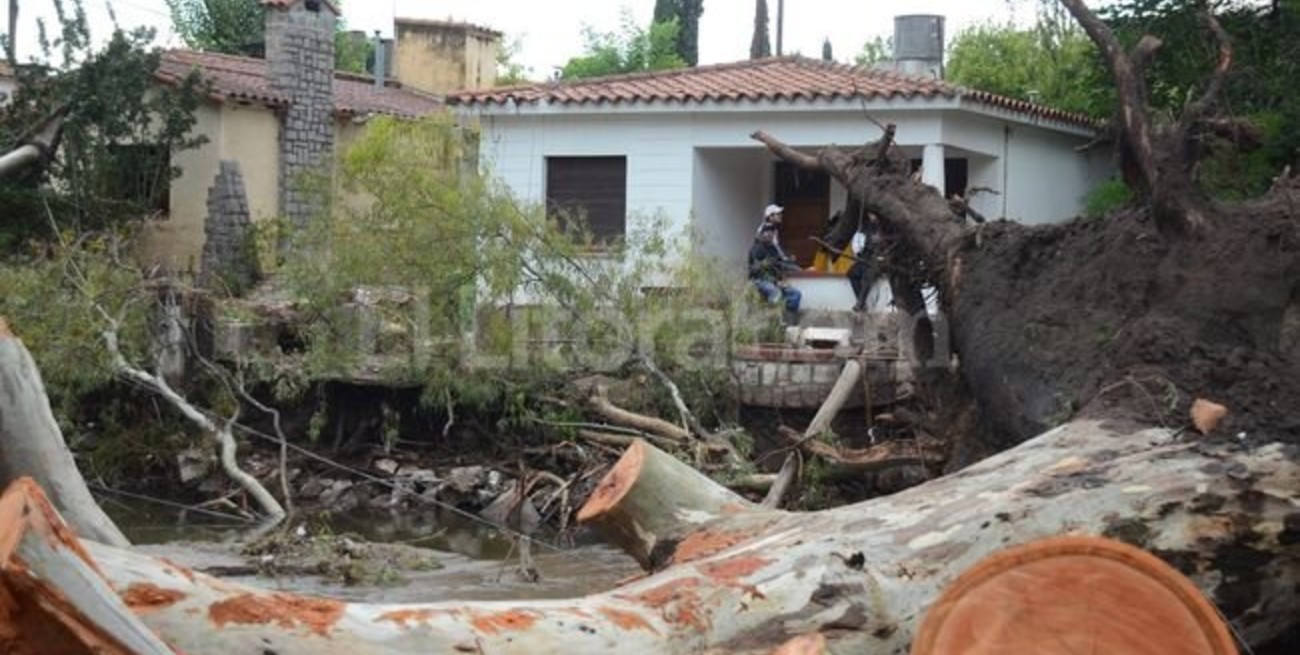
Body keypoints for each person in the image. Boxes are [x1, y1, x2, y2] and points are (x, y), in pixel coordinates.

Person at [749, 223, 802, 320]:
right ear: (761, 234)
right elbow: (758, 270)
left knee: (796, 294)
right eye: (766, 231)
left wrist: (783, 279)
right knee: (776, 293)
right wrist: (775, 282)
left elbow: (779, 265)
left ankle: (789, 321)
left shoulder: (773, 249)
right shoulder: (756, 249)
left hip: (774, 281)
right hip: (759, 280)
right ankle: (772, 322)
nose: (769, 234)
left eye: (771, 232)